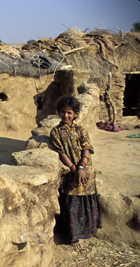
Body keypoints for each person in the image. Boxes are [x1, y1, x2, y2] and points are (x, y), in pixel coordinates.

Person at [50, 96, 102, 248]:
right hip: (72, 171)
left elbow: (87, 148)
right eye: (63, 112)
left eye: (69, 113)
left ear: (76, 114)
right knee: (72, 203)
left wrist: (82, 168)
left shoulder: (81, 130)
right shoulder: (56, 132)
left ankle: (87, 232)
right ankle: (74, 237)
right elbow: (61, 152)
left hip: (86, 169)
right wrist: (74, 168)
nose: (66, 115)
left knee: (86, 201)